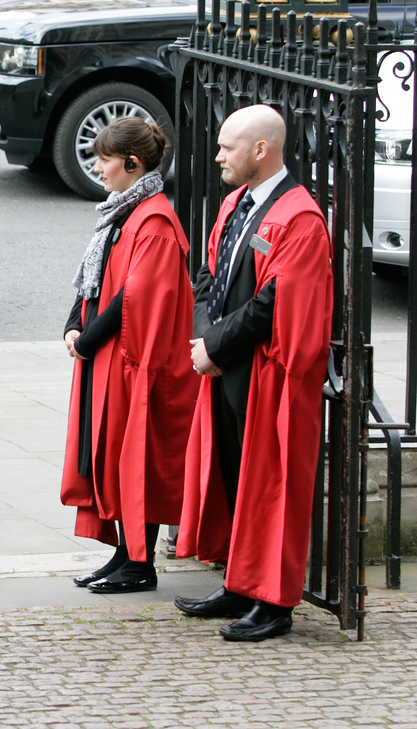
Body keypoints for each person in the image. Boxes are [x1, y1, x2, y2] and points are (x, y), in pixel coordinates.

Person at [174, 104, 333, 641]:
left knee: (271, 485)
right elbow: (207, 274)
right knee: (237, 478)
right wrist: (203, 337)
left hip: (268, 374)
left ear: (260, 151)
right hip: (228, 366)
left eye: (226, 147)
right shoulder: (237, 203)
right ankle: (240, 585)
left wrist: (213, 346)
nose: (218, 156)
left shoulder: (300, 217)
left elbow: (277, 302)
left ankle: (275, 602)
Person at [61, 117, 196, 595]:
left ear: (133, 164)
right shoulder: (125, 211)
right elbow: (95, 282)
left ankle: (140, 564)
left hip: (133, 362)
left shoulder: (154, 219)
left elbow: (134, 300)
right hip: (111, 357)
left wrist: (87, 337)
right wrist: (74, 322)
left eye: (105, 159)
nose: (98, 168)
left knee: (134, 458)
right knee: (113, 457)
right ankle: (124, 556)